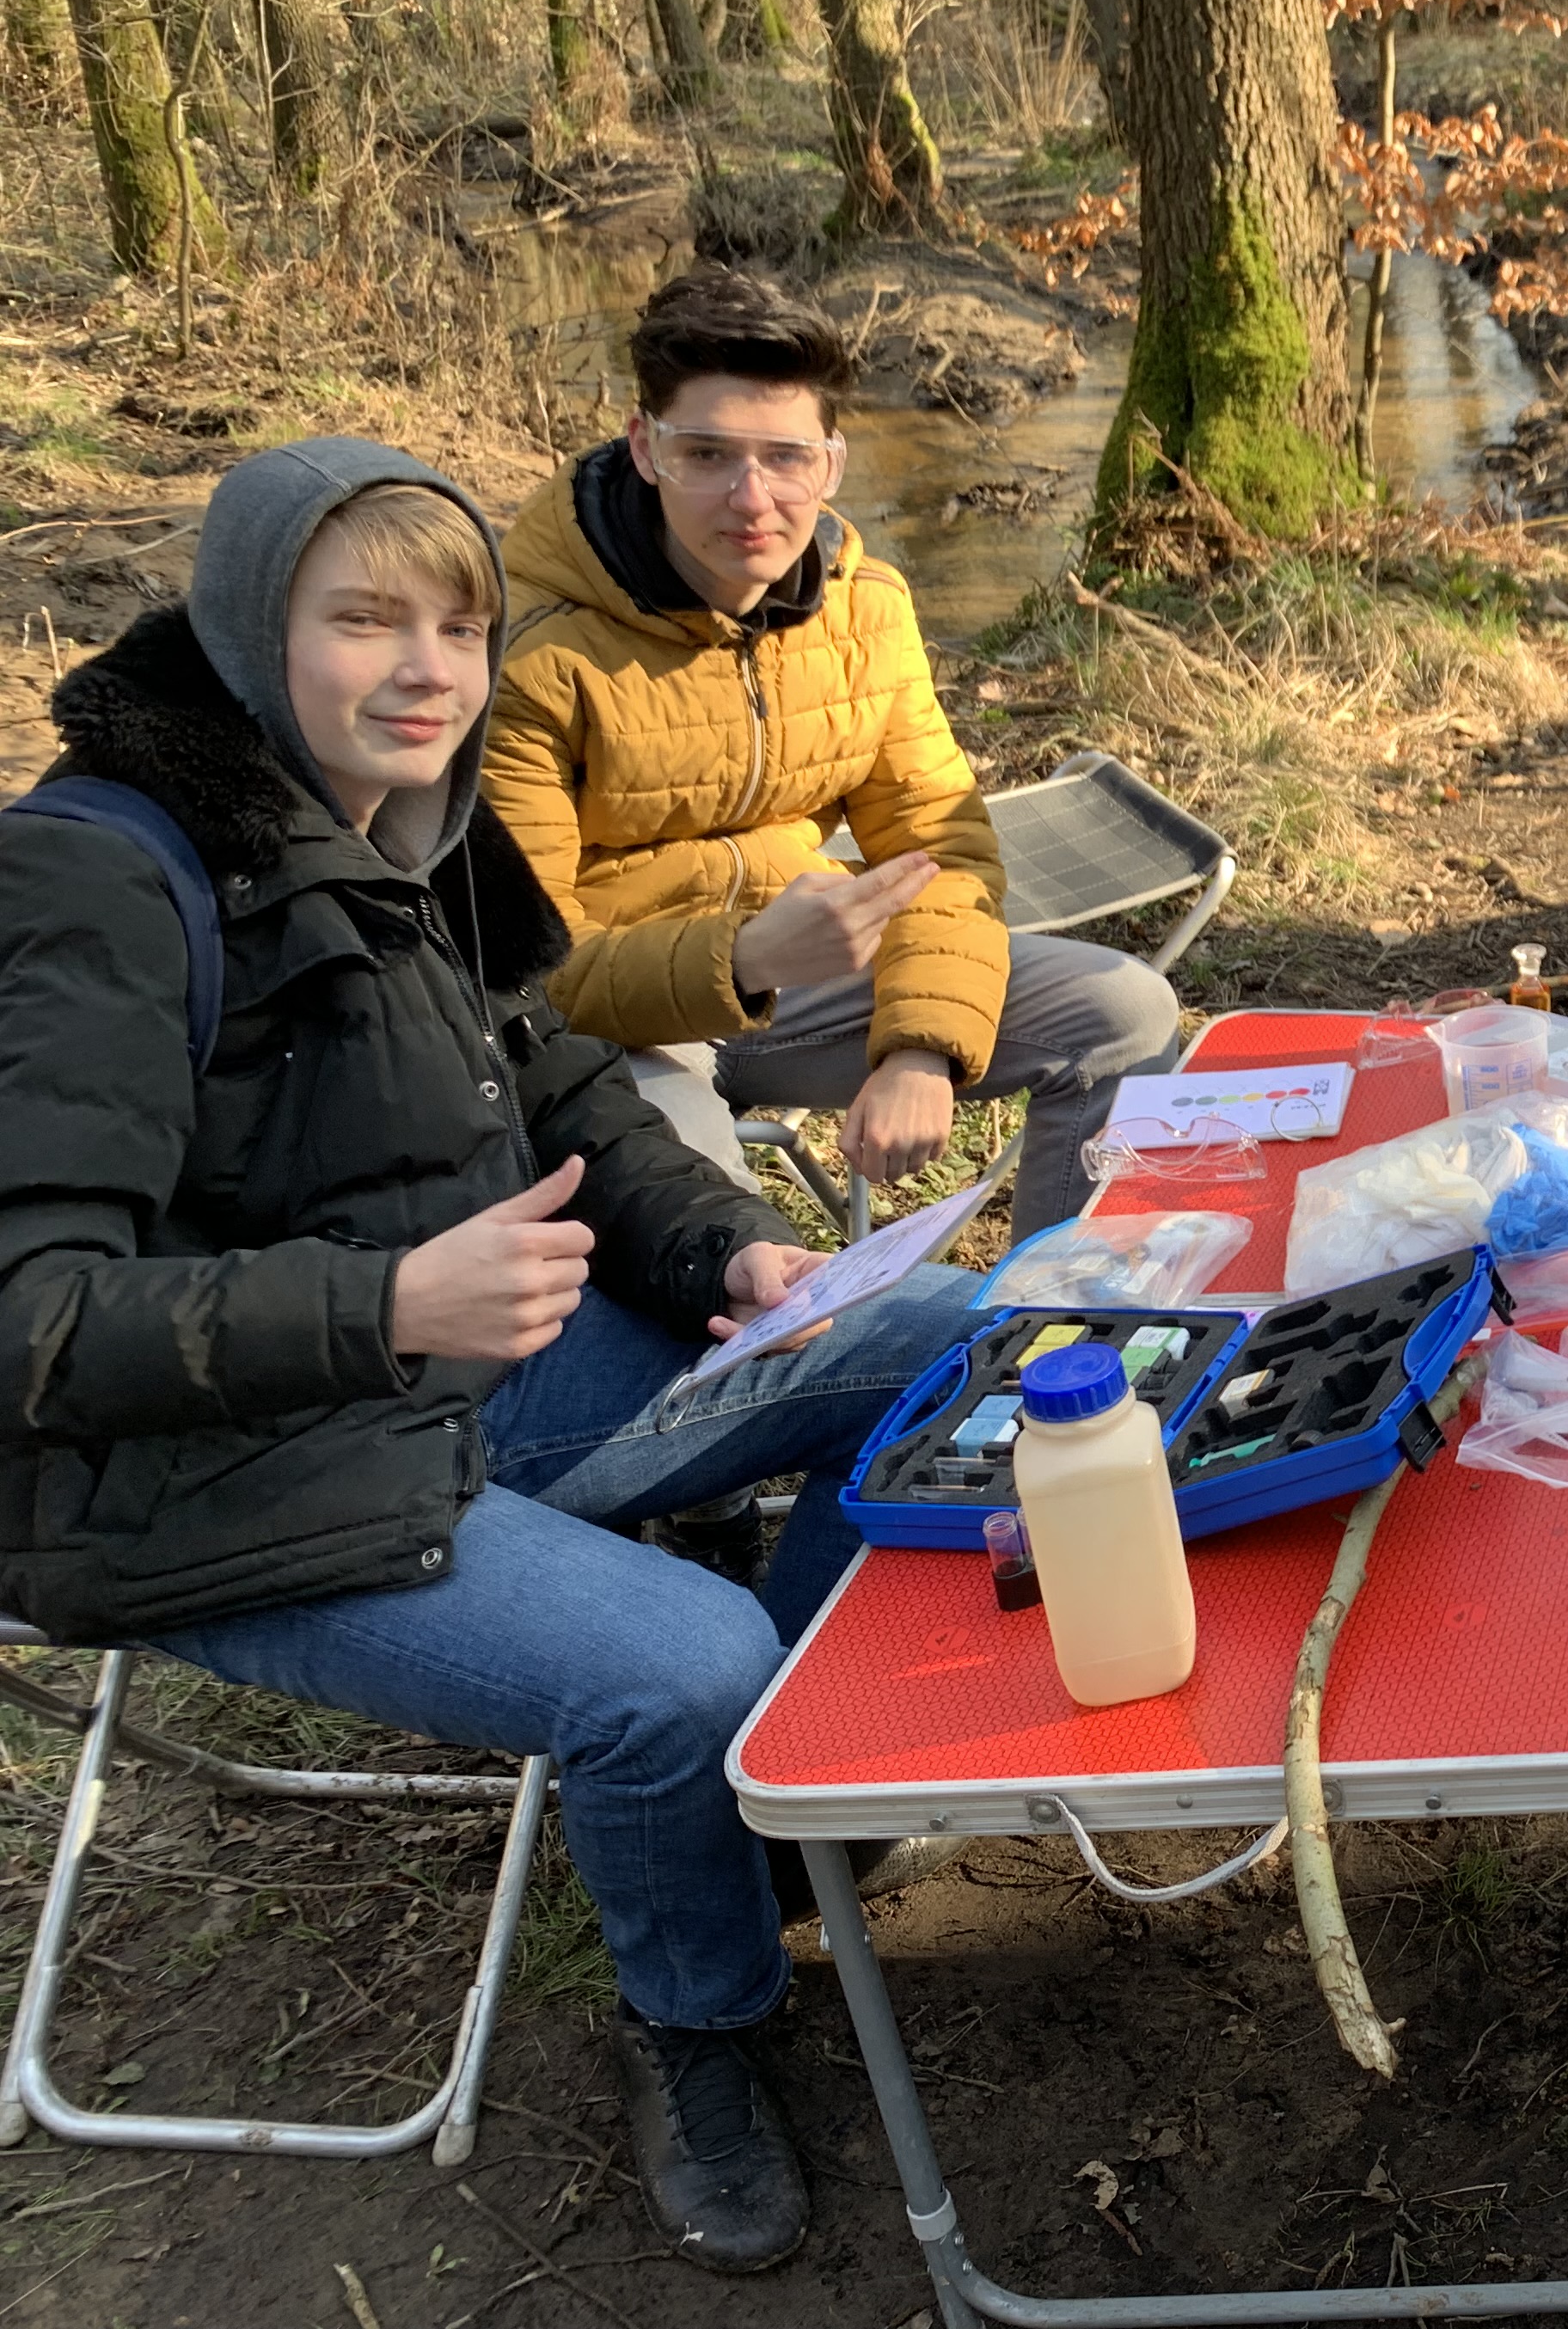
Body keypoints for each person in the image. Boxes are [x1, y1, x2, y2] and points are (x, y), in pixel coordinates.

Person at [0, 441, 984, 2276]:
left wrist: (726, 1247)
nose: (428, 668)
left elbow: (564, 1087)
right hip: (235, 1476)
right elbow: (31, 1320)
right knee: (687, 1666)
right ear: (244, 628)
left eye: (458, 622)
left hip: (497, 1369)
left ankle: (771, 1838)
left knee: (933, 1337)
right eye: (363, 619)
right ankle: (696, 2022)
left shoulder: (418, 824)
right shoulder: (97, 883)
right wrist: (383, 1308)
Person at [487, 266, 1179, 1244]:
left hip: (805, 980)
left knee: (1124, 1011)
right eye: (708, 453)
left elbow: (943, 854)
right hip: (621, 1025)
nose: (752, 498)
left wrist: (921, 1049)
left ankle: (1049, 1327)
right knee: (721, 1239)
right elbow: (527, 974)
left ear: (833, 463)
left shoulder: (867, 611)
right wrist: (747, 955)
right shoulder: (532, 653)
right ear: (645, 448)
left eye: (785, 457)